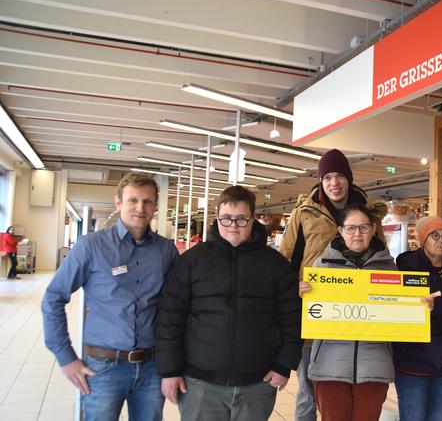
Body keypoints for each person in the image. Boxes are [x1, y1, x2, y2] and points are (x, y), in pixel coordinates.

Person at [155, 185, 302, 421]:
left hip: (258, 383)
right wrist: (169, 370)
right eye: (227, 218)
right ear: (217, 218)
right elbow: (169, 317)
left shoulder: (275, 265)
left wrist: (284, 364)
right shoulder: (191, 261)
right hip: (200, 383)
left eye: (242, 219)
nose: (233, 225)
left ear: (253, 218)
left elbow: (292, 317)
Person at [41, 172, 179, 421]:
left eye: (148, 201)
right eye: (133, 200)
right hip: (104, 367)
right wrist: (66, 357)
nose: (140, 207)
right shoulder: (91, 246)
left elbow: (177, 307)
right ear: (118, 203)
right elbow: (53, 298)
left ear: (155, 207)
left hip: (152, 367)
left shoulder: (165, 250)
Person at [279, 148, 373, 421]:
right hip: (313, 314)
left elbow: (382, 260)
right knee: (308, 392)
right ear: (321, 181)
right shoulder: (304, 213)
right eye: (328, 176)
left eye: (339, 175)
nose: (334, 182)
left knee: (344, 395)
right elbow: (285, 260)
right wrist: (292, 289)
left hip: (356, 316)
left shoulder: (366, 213)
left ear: (349, 178)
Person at [299, 204, 395, 421]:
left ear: (372, 229)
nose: (357, 234)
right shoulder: (321, 266)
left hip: (374, 366)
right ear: (340, 231)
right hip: (329, 364)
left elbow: (399, 312)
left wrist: (418, 307)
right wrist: (302, 295)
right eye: (351, 228)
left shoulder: (389, 267)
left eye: (363, 227)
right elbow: (310, 312)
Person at [392, 216, 442, 421]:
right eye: (435, 235)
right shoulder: (406, 269)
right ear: (423, 239)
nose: (441, 240)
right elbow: (407, 319)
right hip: (413, 364)